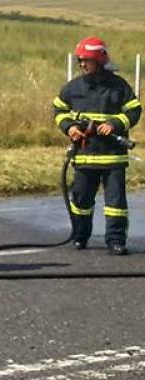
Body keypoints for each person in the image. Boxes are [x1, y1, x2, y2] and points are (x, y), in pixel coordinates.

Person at [53, 36, 140, 255]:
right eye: (80, 61)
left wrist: (115, 124)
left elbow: (134, 110)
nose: (82, 65)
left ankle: (116, 241)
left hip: (113, 158)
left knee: (115, 204)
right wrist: (70, 128)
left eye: (87, 60)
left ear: (99, 61)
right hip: (84, 156)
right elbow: (58, 110)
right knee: (81, 200)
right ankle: (80, 236)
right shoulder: (73, 87)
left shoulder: (119, 86)